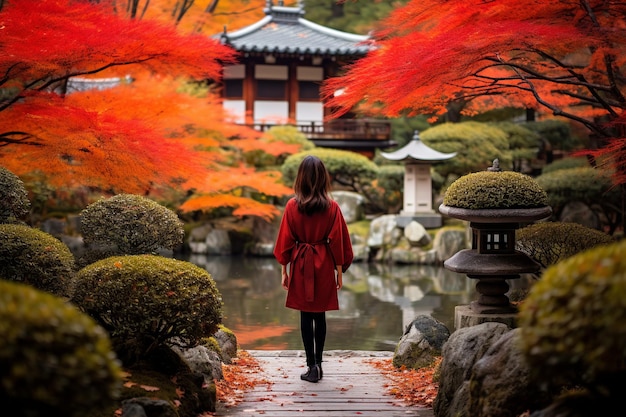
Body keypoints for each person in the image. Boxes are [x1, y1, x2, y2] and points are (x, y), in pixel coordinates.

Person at [273, 155, 354, 383]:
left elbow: (285, 241)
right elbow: (338, 241)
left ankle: (311, 366)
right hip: (323, 264)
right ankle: (319, 363)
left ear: (300, 178)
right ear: (322, 179)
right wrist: (339, 272)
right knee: (320, 315)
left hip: (300, 262)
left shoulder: (292, 205)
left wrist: (284, 270)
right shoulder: (332, 207)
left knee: (305, 316)